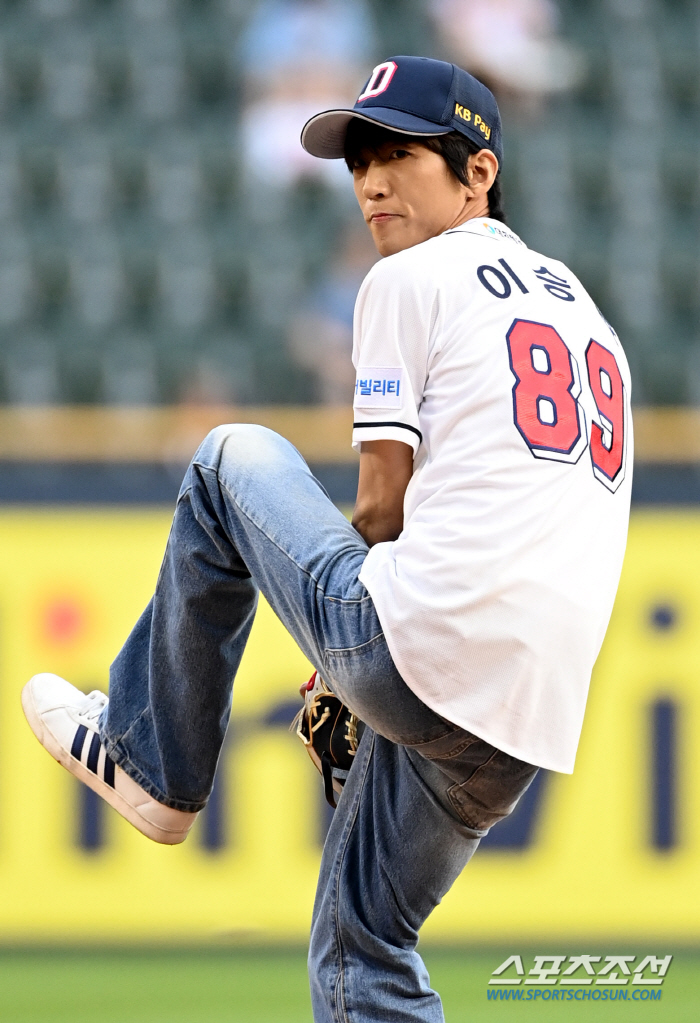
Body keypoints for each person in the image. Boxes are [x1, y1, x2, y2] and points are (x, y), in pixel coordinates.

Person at [22, 55, 632, 1023]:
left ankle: (151, 763)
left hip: (419, 649)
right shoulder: (591, 321)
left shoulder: (409, 280)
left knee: (229, 457)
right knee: (364, 947)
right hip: (526, 720)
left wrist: (342, 665)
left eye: (401, 154)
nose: (373, 182)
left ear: (479, 173)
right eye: (359, 161)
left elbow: (381, 507)